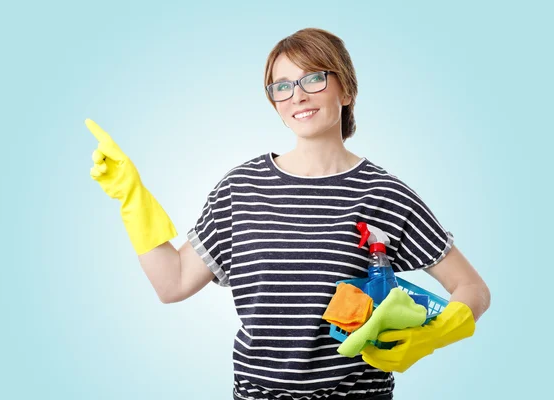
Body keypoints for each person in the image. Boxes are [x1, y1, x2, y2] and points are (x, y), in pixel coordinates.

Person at [86, 28, 491, 400]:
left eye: (313, 78)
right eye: (282, 86)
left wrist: (436, 334)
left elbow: (472, 289)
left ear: (346, 90)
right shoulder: (240, 189)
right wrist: (131, 197)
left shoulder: (385, 193)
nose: (297, 95)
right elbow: (172, 283)